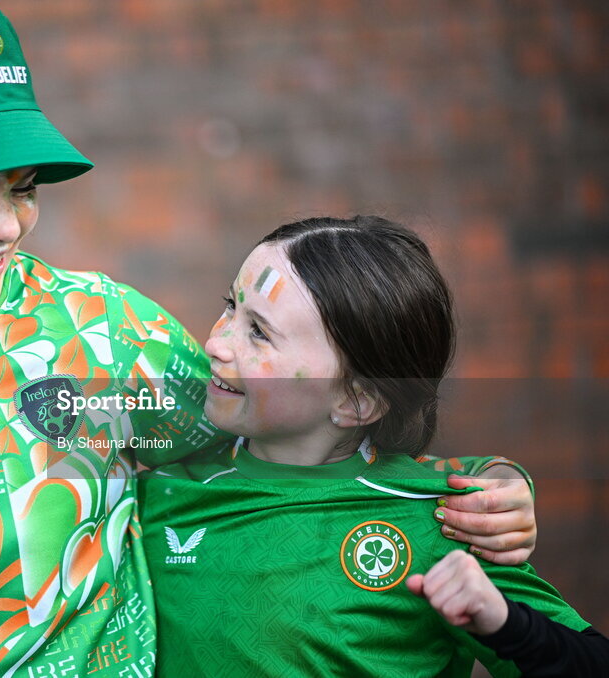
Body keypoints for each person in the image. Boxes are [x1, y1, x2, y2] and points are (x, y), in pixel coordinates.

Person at [0, 2, 539, 676]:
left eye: (22, 188)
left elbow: (289, 445)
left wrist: (482, 494)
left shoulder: (102, 332)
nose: (7, 224)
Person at [140, 216, 607, 677]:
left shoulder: (445, 522)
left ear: (356, 400)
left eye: (259, 332)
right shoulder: (157, 494)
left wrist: (504, 622)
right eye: (230, 307)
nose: (216, 342)